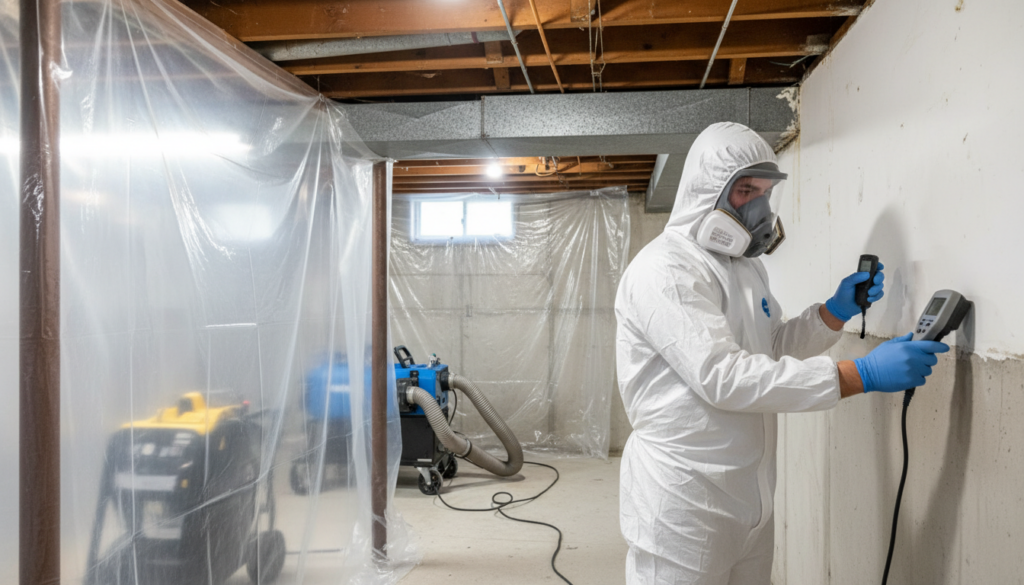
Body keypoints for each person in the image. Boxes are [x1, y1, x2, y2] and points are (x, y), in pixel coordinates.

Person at [614, 122, 948, 585]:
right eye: (746, 191)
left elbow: (769, 349)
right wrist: (859, 374)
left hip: (750, 499)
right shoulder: (665, 270)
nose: (759, 208)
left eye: (765, 193)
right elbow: (723, 376)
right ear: (706, 192)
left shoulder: (747, 269)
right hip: (683, 504)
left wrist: (832, 314)